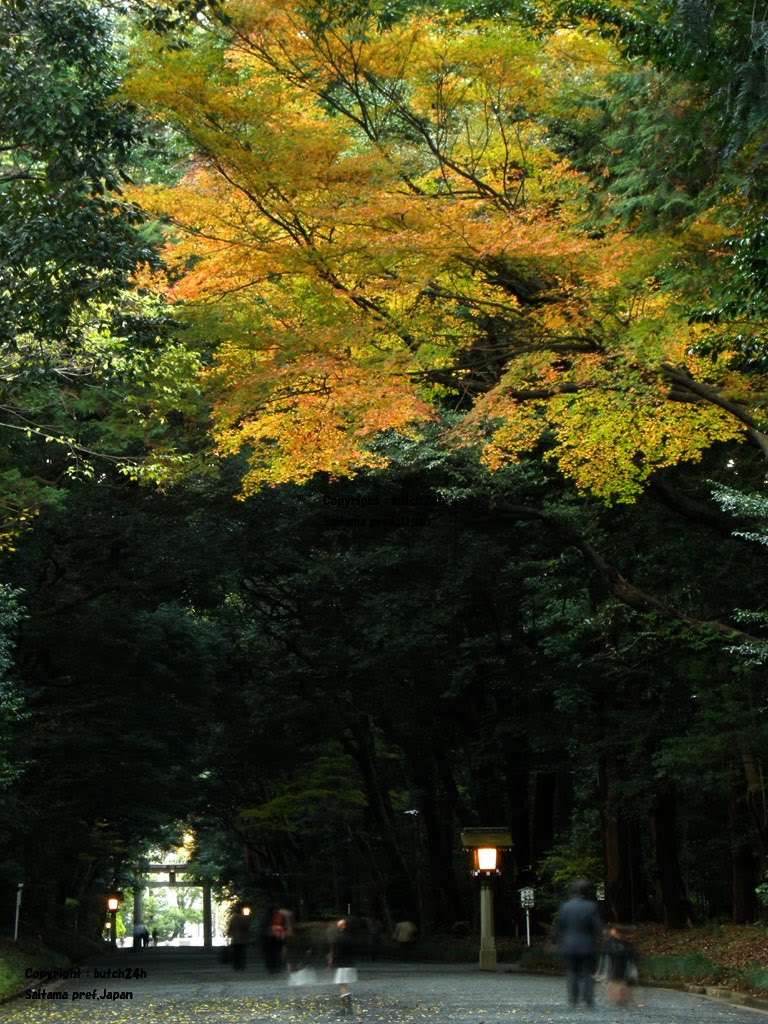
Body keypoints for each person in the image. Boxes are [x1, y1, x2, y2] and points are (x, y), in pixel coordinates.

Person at [552, 879, 603, 1008]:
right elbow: (598, 927)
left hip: (569, 945)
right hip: (587, 944)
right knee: (587, 972)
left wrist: (554, 939)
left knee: (572, 971)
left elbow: (559, 926)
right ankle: (588, 999)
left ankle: (573, 999)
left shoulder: (566, 906)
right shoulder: (591, 906)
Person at [327, 918, 357, 1016]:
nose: (338, 924)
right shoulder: (351, 936)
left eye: (340, 923)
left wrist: (332, 962)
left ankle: (347, 1009)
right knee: (343, 985)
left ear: (344, 926)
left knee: (342, 985)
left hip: (343, 965)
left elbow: (337, 953)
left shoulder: (340, 937)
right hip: (350, 964)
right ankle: (346, 1008)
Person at [604, 924, 637, 1006]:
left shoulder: (622, 943)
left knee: (619, 980)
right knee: (618, 980)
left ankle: (620, 997)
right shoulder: (612, 941)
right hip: (618, 962)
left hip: (621, 962)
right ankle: (620, 997)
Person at [226, 905, 251, 971]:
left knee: (236, 953)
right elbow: (246, 926)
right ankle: (241, 965)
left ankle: (236, 966)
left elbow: (230, 927)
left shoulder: (233, 918)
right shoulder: (243, 917)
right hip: (242, 939)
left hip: (235, 939)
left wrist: (229, 933)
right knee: (242, 953)